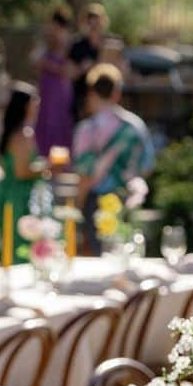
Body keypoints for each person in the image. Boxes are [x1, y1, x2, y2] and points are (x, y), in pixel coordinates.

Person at [72, 63, 155, 253]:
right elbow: (147, 166)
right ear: (116, 93)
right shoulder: (135, 127)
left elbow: (84, 175)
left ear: (92, 93)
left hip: (97, 204)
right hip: (129, 201)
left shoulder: (87, 130)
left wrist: (78, 206)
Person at [0, 82, 45, 264]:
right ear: (25, 106)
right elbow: (22, 172)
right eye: (34, 102)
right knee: (20, 247)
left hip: (6, 194)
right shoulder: (24, 135)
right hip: (21, 198)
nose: (37, 106)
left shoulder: (8, 133)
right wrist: (49, 168)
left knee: (7, 243)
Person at [32, 9, 75, 156]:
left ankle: (55, 154)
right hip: (49, 84)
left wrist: (46, 64)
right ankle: (47, 152)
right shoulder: (51, 37)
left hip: (56, 86)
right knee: (46, 117)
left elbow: (62, 66)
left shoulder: (60, 38)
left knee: (55, 118)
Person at [68, 4, 108, 119]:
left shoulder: (108, 44)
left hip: (105, 98)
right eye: (90, 23)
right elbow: (70, 74)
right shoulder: (77, 45)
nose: (94, 27)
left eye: (97, 23)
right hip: (82, 99)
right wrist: (83, 68)